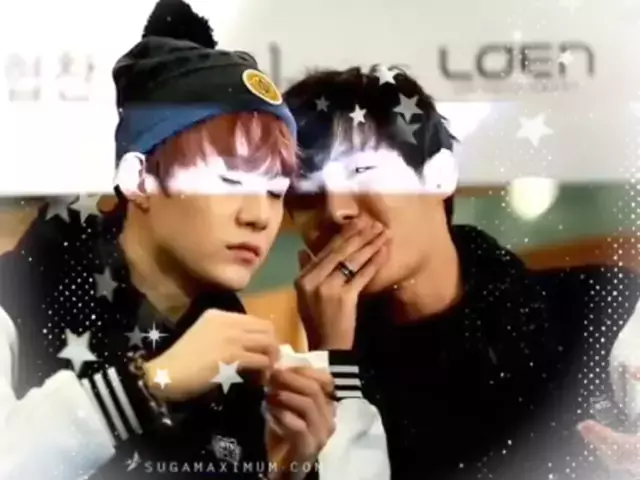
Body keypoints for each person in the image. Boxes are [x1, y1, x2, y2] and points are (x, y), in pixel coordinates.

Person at [0, 1, 367, 478]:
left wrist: (291, 464)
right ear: (139, 178)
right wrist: (151, 383)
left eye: (275, 192)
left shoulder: (249, 365)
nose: (259, 216)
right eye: (229, 182)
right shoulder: (17, 301)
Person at [283, 65, 640, 479]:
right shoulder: (300, 389)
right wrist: (330, 359)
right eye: (306, 192)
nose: (336, 209)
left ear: (438, 175)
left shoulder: (602, 305)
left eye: (360, 171)